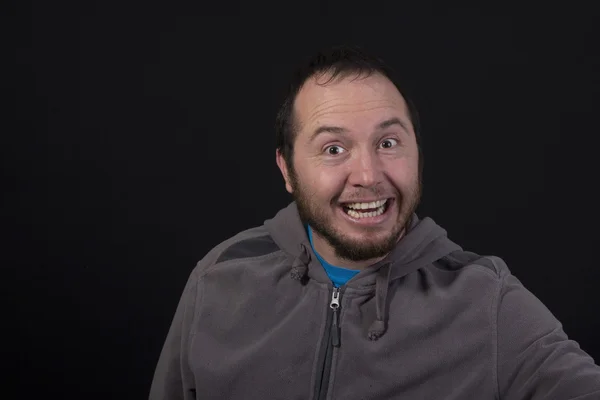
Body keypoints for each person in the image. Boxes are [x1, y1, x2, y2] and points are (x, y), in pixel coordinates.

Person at [149, 45, 600, 400]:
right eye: (333, 149)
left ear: (417, 155)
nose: (368, 175)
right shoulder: (220, 278)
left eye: (388, 142)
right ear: (287, 170)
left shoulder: (488, 300)